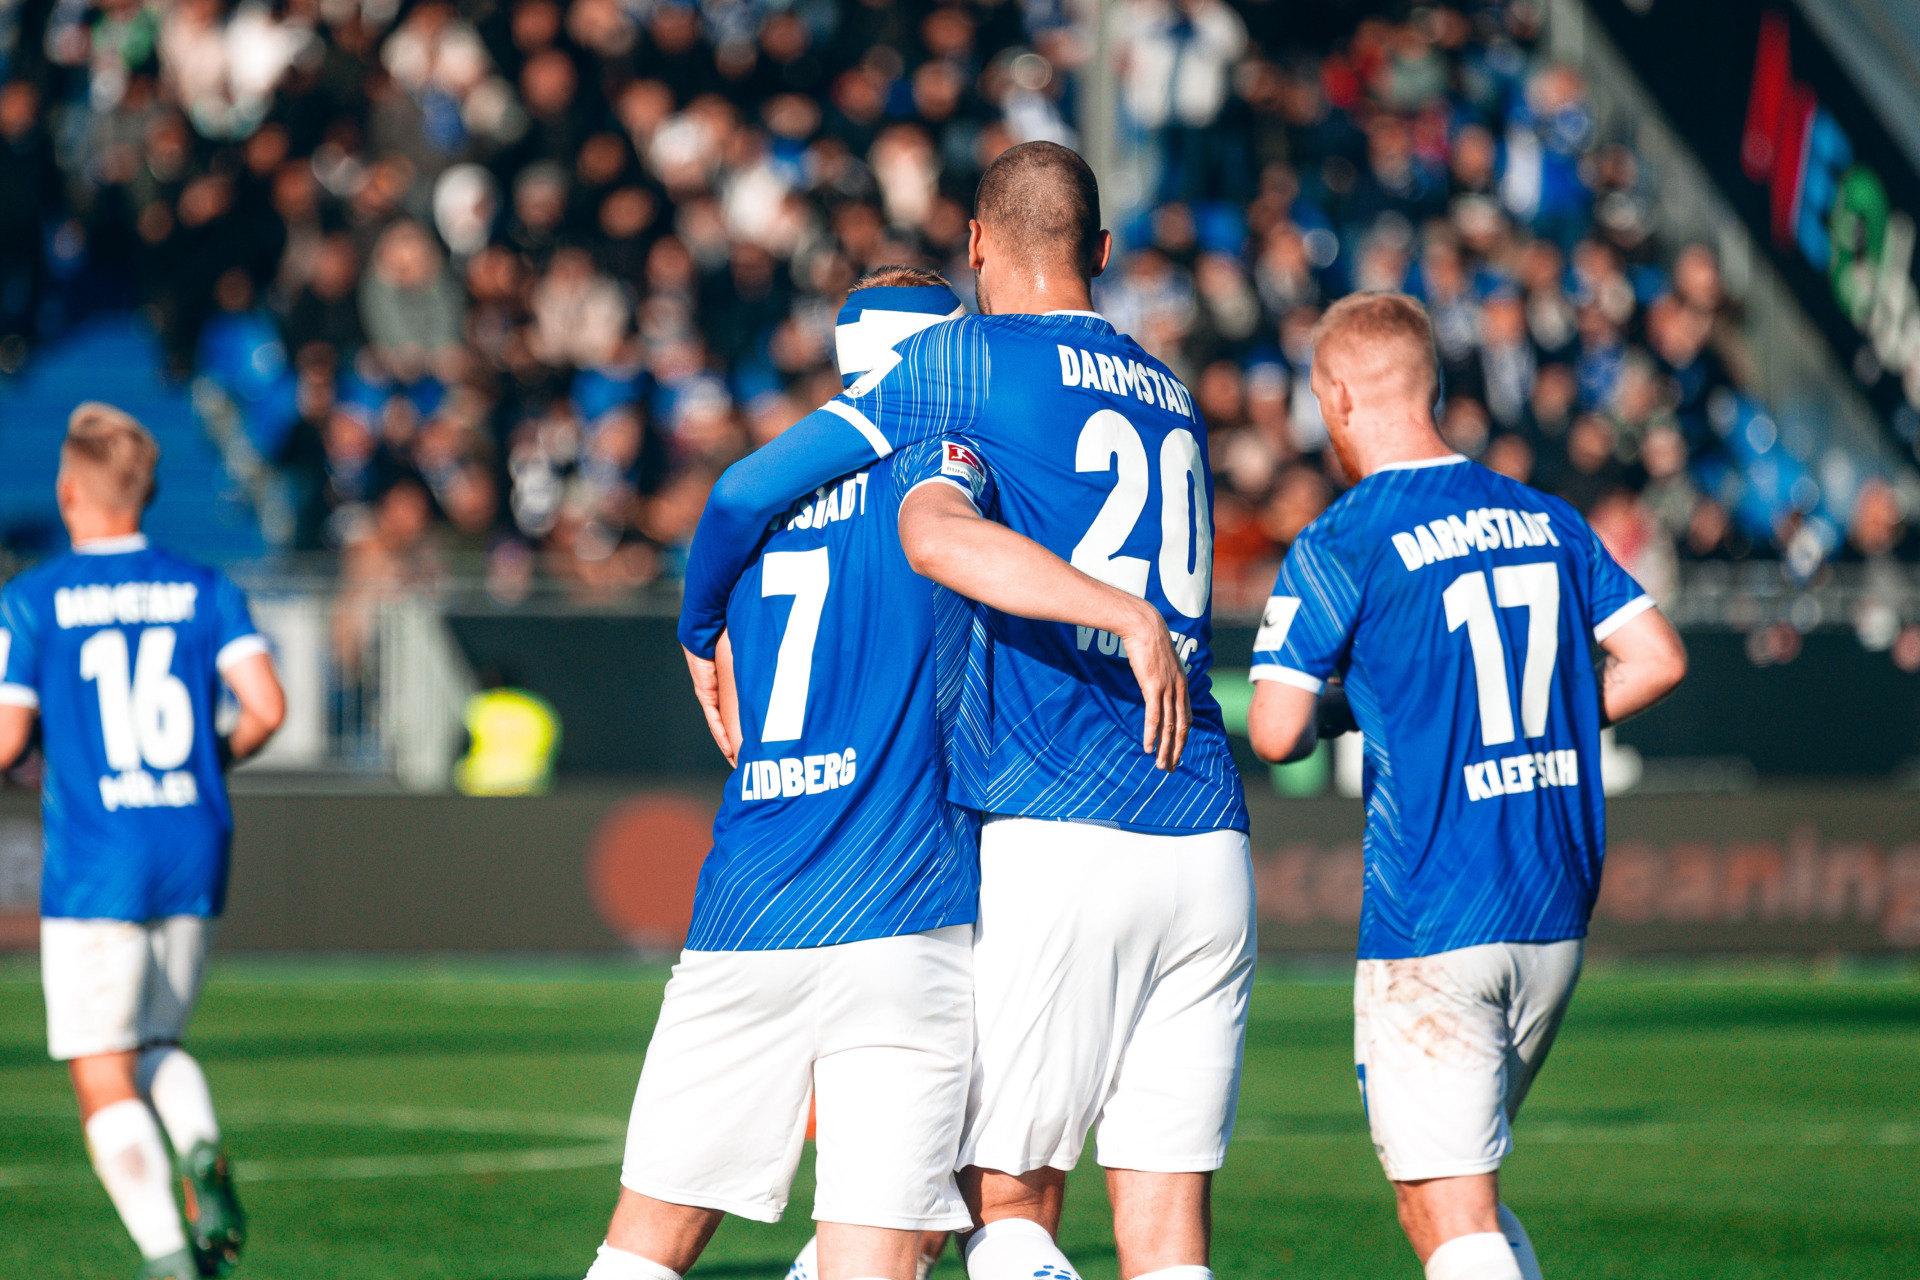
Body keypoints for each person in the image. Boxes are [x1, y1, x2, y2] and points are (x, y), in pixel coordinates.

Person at [678, 141, 1251, 1280]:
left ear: (978, 244)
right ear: (1101, 250)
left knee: (1005, 1209)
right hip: (1208, 834)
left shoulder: (963, 358)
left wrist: (701, 631)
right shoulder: (1171, 391)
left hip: (1065, 816)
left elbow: (747, 490)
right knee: (1167, 1236)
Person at [582, 269, 1188, 1280]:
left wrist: (694, 629)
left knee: (640, 1248)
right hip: (903, 912)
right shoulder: (954, 479)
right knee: (872, 1257)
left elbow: (731, 506)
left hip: (747, 909)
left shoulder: (764, 514)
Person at [1243, 293, 1687, 1280]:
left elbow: (1274, 730)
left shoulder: (1346, 536)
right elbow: (1657, 657)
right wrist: (1550, 718)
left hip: (1437, 913)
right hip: (1552, 909)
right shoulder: (1543, 513)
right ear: (1434, 386)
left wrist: (1347, 711)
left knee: (1451, 1206)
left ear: (1337, 397)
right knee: (1445, 1200)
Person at [0, 403, 286, 1280]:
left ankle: (168, 1255)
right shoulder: (206, 585)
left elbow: (6, 742)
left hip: (99, 859)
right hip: (194, 842)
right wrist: (206, 761)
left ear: (68, 490)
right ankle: (199, 1144)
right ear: (148, 491)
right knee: (157, 1041)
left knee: (101, 1068)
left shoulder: (35, 598)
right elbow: (267, 708)